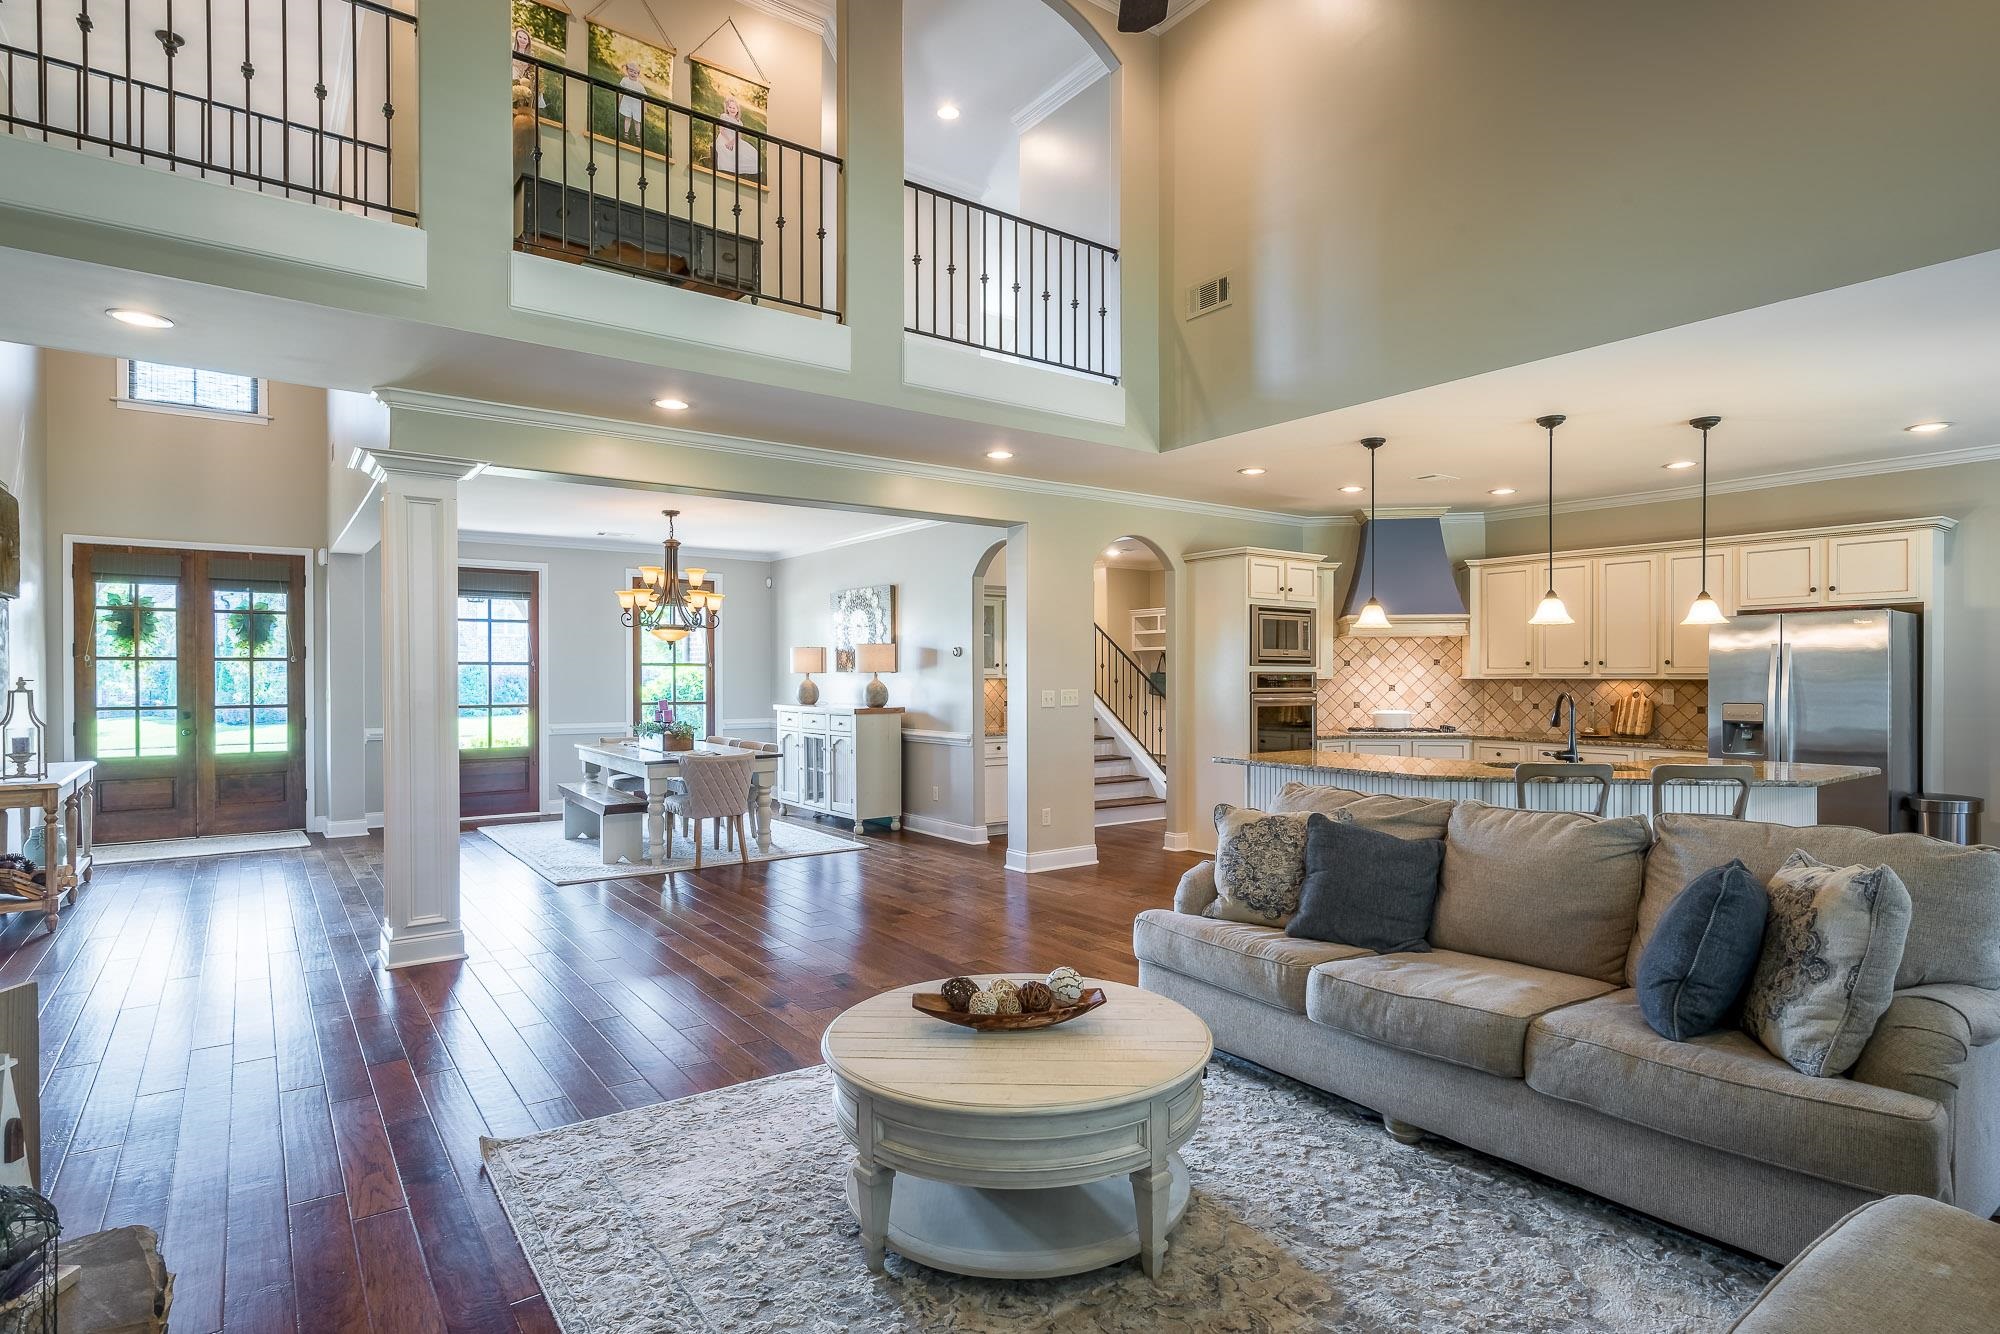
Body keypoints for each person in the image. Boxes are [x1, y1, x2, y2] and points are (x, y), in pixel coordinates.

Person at [712, 92, 760, 178]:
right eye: (730, 107)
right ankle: (726, 170)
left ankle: (742, 171)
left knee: (752, 153)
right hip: (724, 138)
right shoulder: (724, 116)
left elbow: (739, 136)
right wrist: (728, 142)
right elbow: (722, 131)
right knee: (726, 151)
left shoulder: (739, 122)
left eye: (734, 108)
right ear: (727, 108)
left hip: (735, 141)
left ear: (737, 110)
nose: (732, 109)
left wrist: (732, 142)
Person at [618, 60, 646, 142]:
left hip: (636, 105)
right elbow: (620, 91)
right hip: (627, 103)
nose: (633, 73)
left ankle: (638, 135)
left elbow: (645, 97)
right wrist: (619, 100)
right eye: (631, 71)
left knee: (637, 121)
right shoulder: (624, 80)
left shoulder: (639, 85)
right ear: (627, 71)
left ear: (638, 74)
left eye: (635, 72)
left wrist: (644, 108)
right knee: (628, 118)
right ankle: (626, 132)